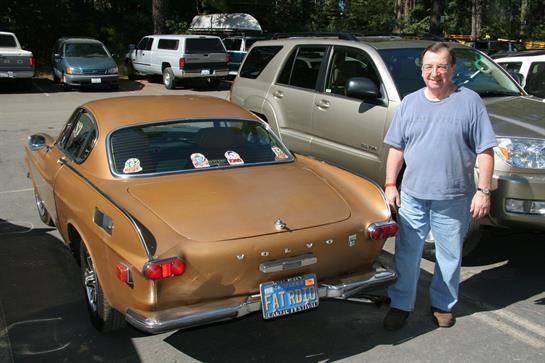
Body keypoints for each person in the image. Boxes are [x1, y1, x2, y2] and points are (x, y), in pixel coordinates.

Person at [382, 42, 496, 330]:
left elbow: (485, 151)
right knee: (407, 254)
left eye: (442, 66)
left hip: (454, 196)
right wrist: (390, 184)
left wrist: (483, 191)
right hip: (413, 195)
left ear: (453, 69)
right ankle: (400, 304)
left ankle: (442, 305)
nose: (435, 73)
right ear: (422, 70)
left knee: (449, 255)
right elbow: (397, 148)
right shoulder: (410, 102)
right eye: (429, 67)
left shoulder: (470, 102)